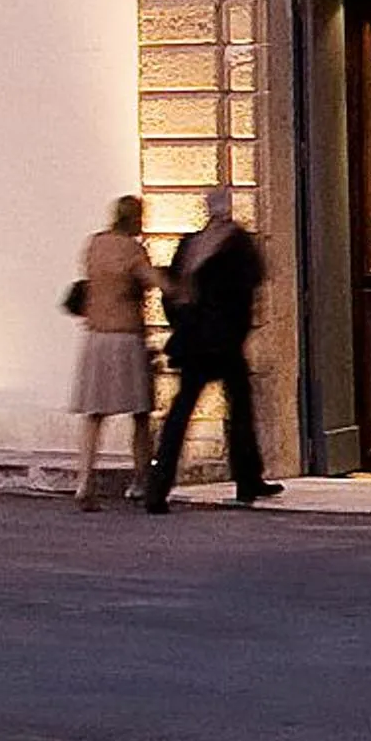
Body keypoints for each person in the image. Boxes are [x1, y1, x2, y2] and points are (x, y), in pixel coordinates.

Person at [143, 186, 281, 510]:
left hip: (195, 341)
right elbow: (254, 282)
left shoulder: (192, 244)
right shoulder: (236, 243)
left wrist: (184, 324)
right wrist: (238, 329)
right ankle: (247, 481)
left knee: (181, 413)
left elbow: (172, 290)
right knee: (240, 409)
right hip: (223, 341)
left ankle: (158, 488)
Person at [68, 194, 159, 510]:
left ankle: (84, 482)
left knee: (94, 415)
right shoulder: (132, 251)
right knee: (141, 413)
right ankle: (141, 480)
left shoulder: (95, 244)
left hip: (96, 337)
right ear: (134, 218)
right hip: (125, 337)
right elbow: (154, 280)